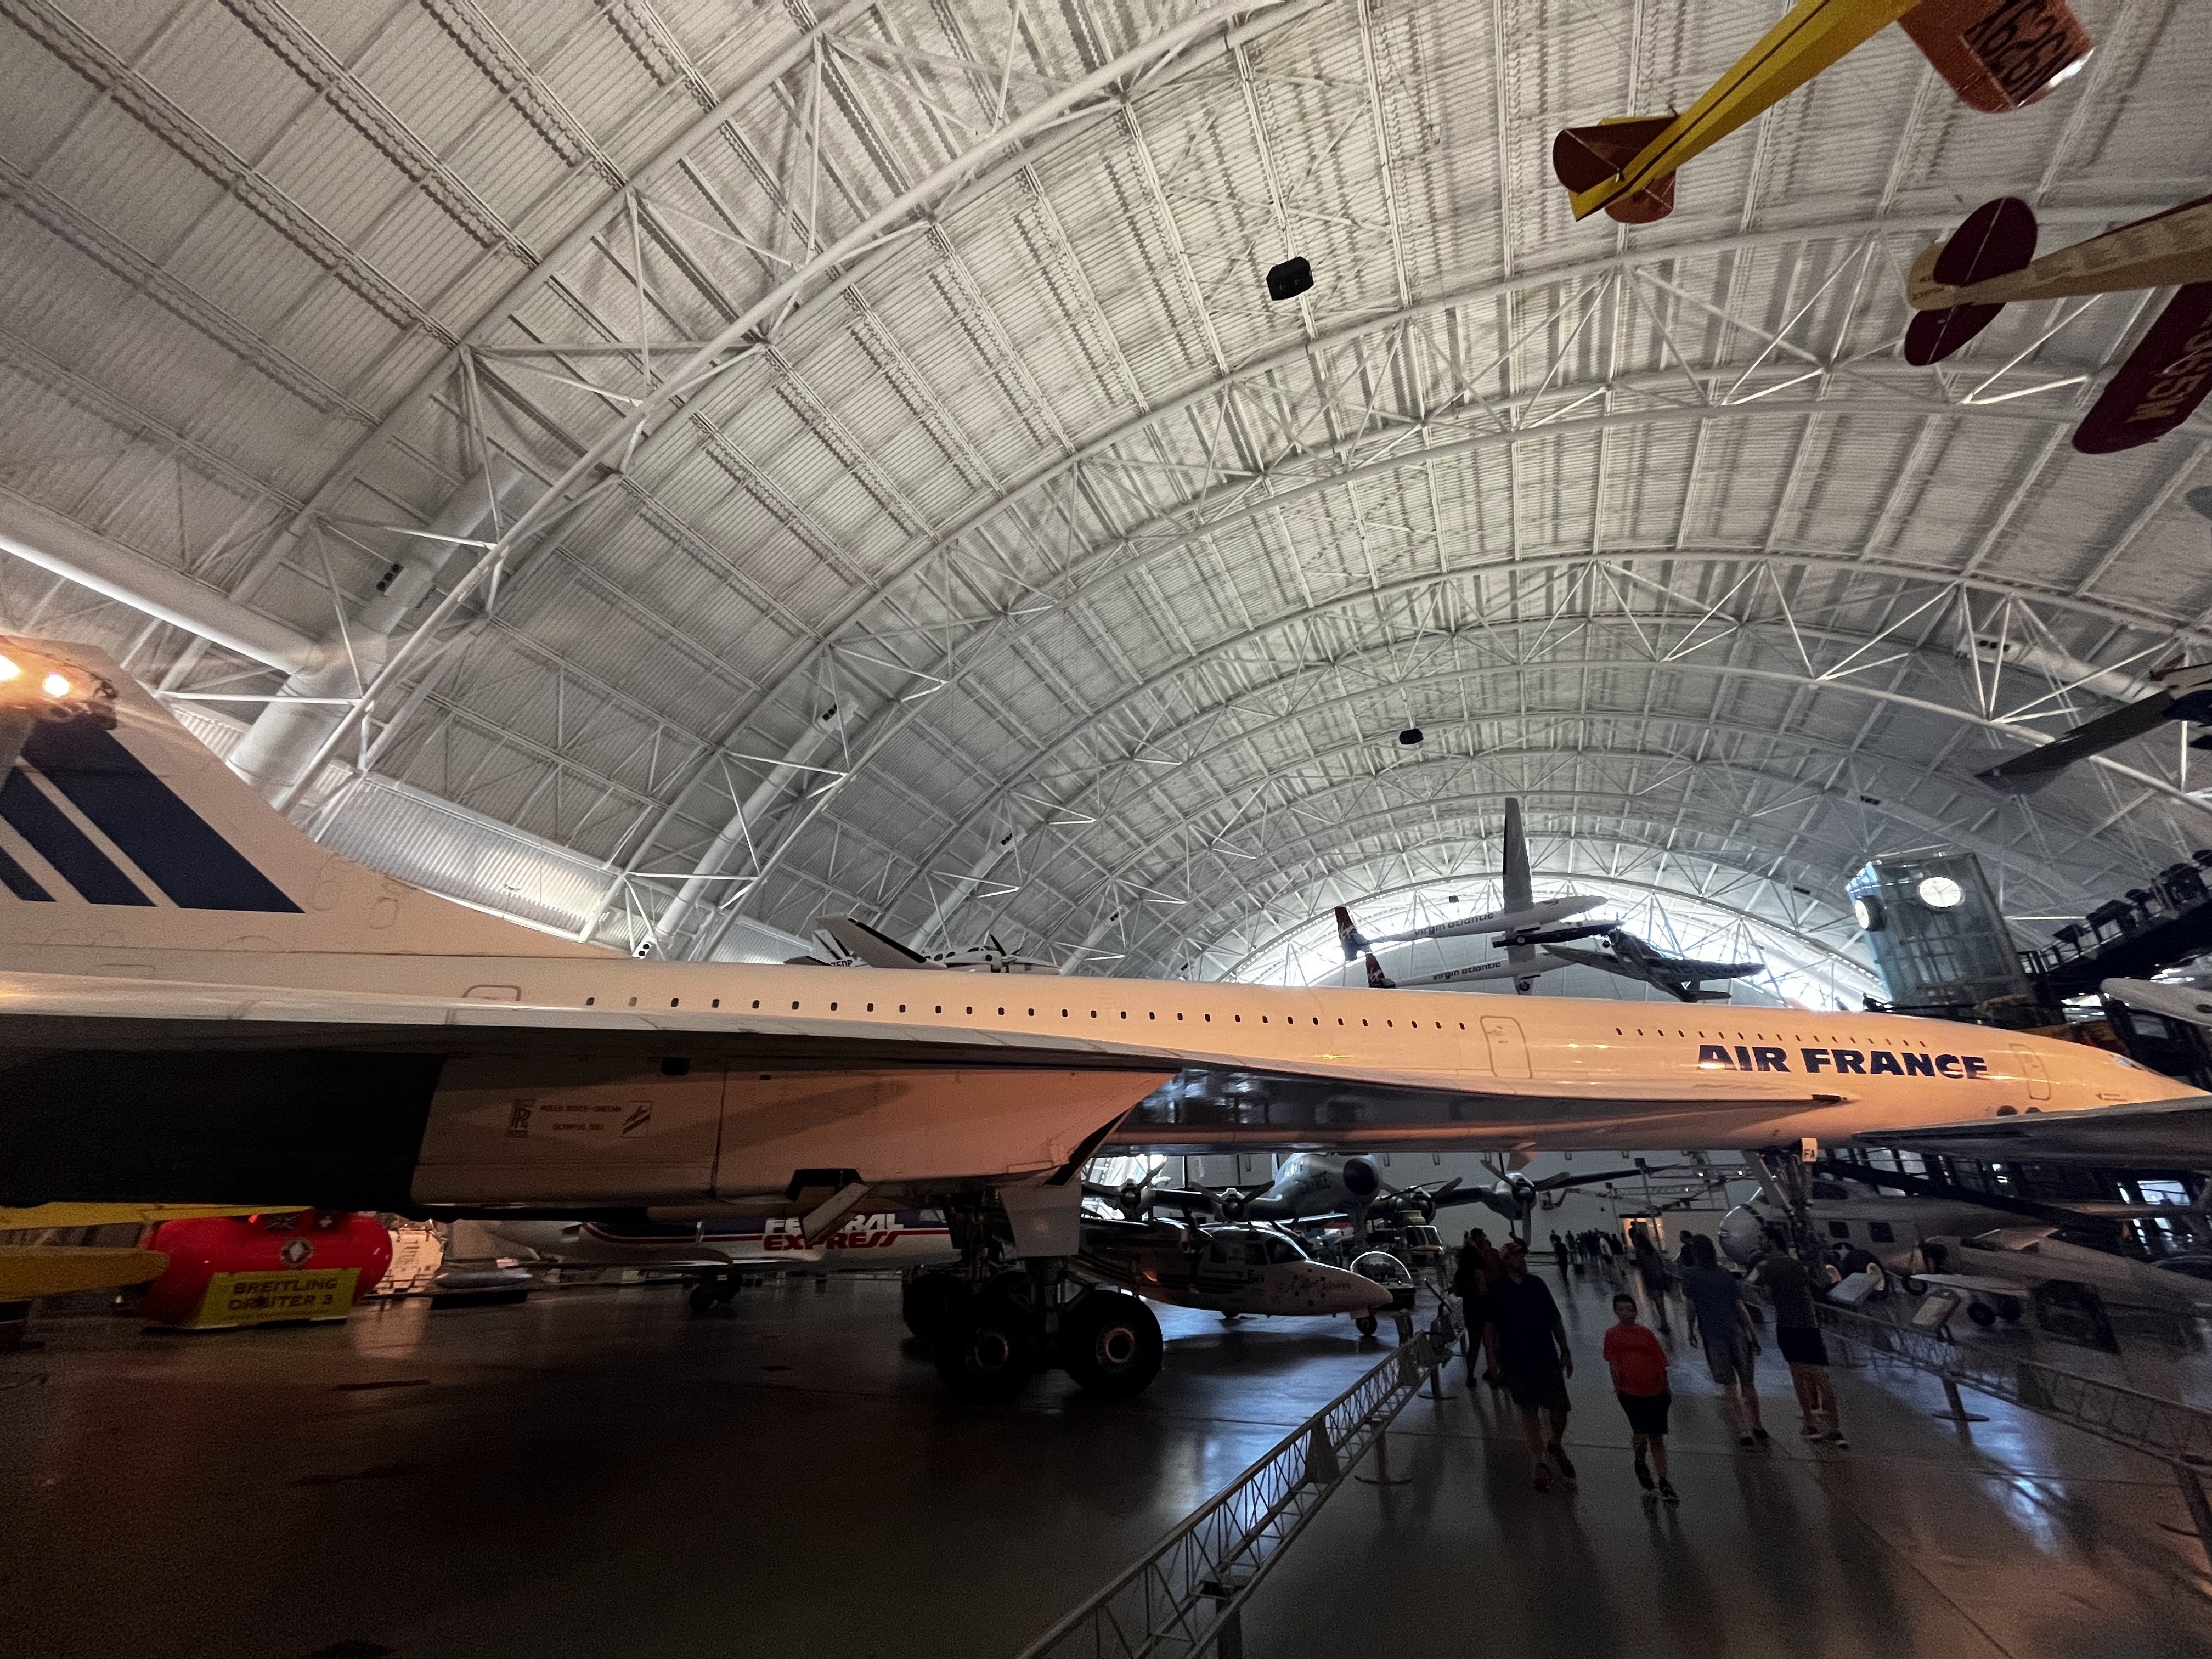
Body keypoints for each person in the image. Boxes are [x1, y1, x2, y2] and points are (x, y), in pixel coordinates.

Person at [1485, 1240, 1576, 1490]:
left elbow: (1554, 1318)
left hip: (1545, 1356)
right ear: (1507, 1262)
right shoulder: (1497, 1289)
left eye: (1523, 1257)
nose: (1523, 1260)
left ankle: (1555, 1442)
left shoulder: (1537, 1284)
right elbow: (1490, 1325)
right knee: (1529, 1411)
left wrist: (1565, 1349)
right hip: (1515, 1359)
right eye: (1518, 1257)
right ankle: (1540, 1461)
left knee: (1559, 1410)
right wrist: (1492, 1359)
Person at [1753, 1246, 1846, 1448]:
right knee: (1821, 1376)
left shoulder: (1768, 1269)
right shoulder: (1797, 1267)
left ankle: (1810, 1422)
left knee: (1798, 1375)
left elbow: (1767, 1298)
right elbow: (1816, 1288)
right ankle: (1835, 1428)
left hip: (1788, 1327)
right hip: (1809, 1326)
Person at [1679, 1237, 1767, 1447]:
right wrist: (1753, 1335)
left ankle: (1743, 1429)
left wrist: (1690, 1329)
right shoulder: (1726, 1275)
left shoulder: (1690, 1276)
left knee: (1729, 1386)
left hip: (1713, 1333)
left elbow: (1691, 1307)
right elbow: (1740, 1307)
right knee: (1748, 1383)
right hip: (1737, 1331)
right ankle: (1758, 1424)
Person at [1604, 1291, 1679, 1504]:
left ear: (1635, 1311)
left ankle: (1663, 1479)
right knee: (1641, 1433)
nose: (1626, 1313)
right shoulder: (1612, 1335)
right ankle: (1640, 1462)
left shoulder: (1646, 1334)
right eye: (1621, 1309)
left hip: (1654, 1391)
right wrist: (1620, 1388)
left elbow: (1660, 1361)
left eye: (1629, 1309)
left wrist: (1666, 1387)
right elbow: (1613, 1363)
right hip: (1631, 1392)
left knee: (1656, 1435)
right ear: (1616, 1312)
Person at [1452, 1228, 1500, 1385]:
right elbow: (1484, 1291)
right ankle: (1493, 1375)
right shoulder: (1479, 1273)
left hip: (1470, 1311)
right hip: (1484, 1311)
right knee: (1489, 1346)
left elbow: (1458, 1293)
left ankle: (1470, 1376)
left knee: (1473, 1346)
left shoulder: (1459, 1273)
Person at [1630, 1225, 1674, 1335]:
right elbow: (1660, 1262)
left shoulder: (1640, 1252)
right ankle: (1665, 1322)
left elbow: (1642, 1267)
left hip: (1650, 1278)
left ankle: (1664, 1323)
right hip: (1659, 1277)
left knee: (1657, 1302)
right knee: (1661, 1302)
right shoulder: (1652, 1250)